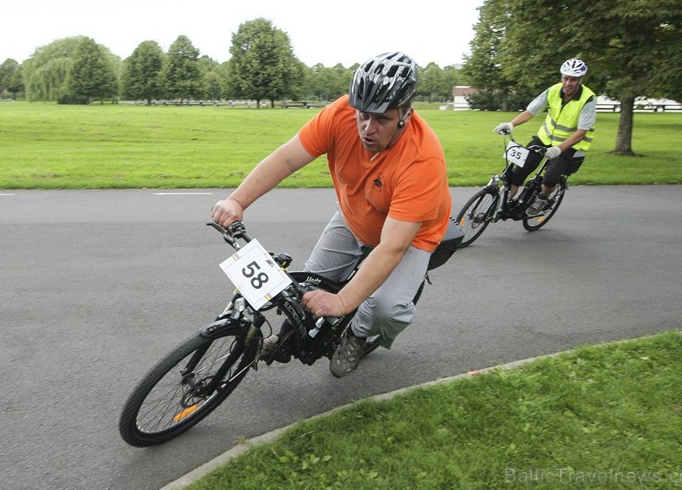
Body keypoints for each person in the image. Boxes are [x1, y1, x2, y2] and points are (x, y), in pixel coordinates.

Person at [211, 51, 452, 378]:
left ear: (405, 115)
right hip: (355, 213)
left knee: (384, 307)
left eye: (382, 119)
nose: (368, 128)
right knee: (309, 285)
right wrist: (238, 200)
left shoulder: (423, 160)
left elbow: (392, 247)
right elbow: (286, 160)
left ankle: (356, 335)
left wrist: (343, 303)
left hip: (409, 237)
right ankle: (283, 340)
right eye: (363, 115)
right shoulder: (339, 115)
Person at [493, 58, 596, 216]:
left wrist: (558, 149)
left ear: (580, 80)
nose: (568, 83)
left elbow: (582, 132)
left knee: (550, 176)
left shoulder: (588, 99)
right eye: (565, 78)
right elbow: (530, 111)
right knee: (519, 171)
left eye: (573, 79)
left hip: (568, 145)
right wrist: (511, 124)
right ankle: (500, 207)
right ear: (562, 77)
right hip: (544, 138)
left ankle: (543, 198)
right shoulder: (553, 91)